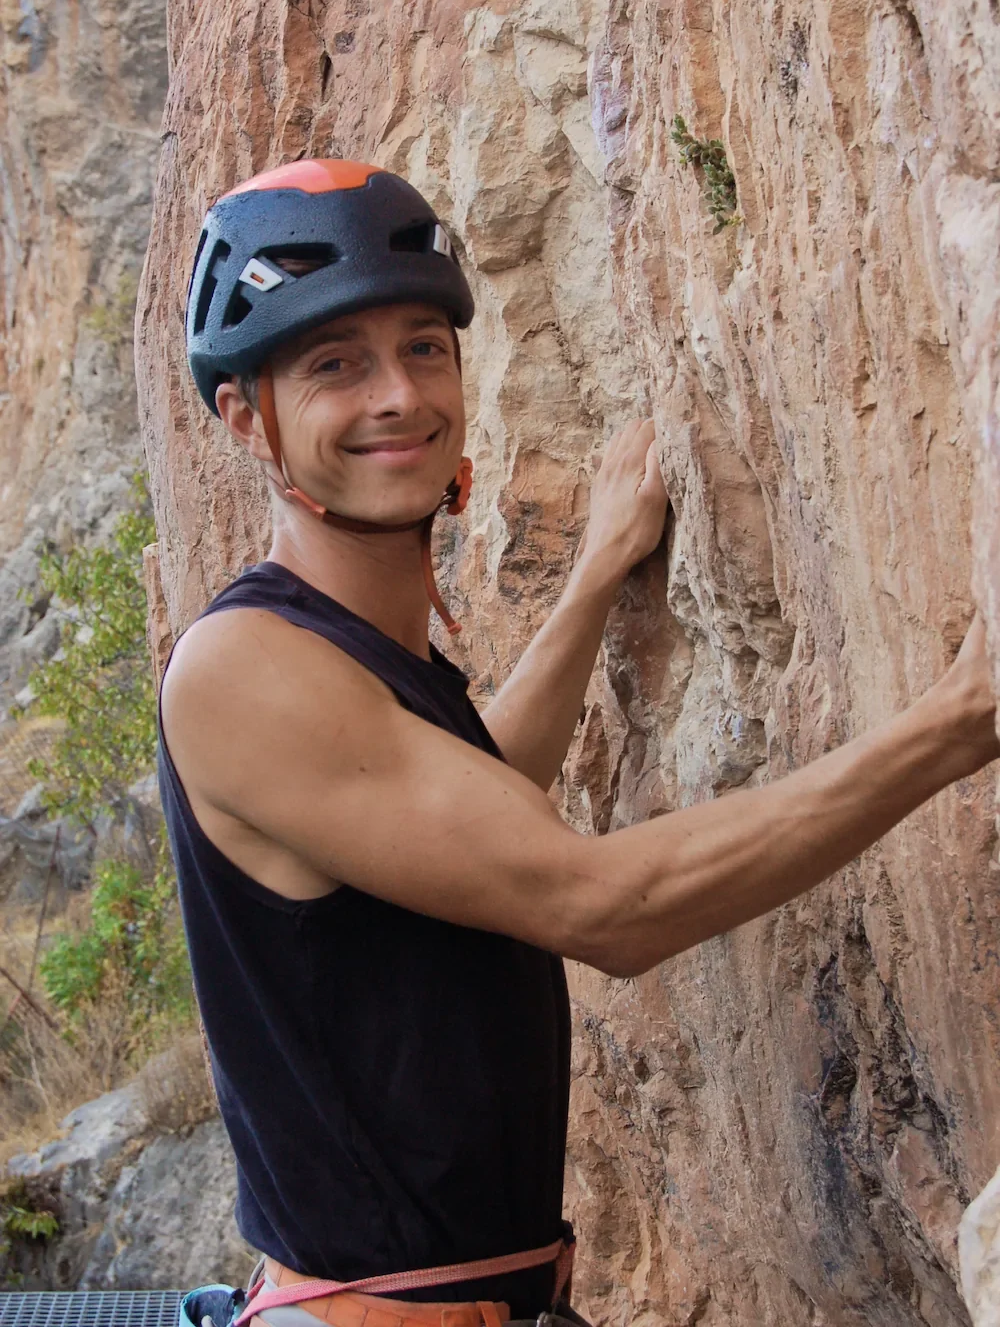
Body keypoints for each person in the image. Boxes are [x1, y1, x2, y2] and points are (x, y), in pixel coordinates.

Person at [160, 158, 998, 1327]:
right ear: (245, 417)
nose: (399, 395)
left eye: (424, 346)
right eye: (334, 365)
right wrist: (961, 718)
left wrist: (600, 571)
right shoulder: (244, 669)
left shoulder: (357, 654)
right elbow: (599, 907)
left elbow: (475, 807)